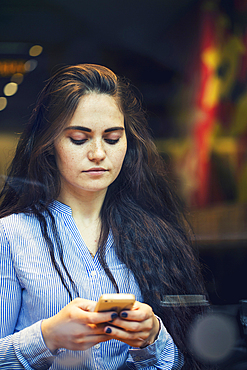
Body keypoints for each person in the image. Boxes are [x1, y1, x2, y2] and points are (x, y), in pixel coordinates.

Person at [0, 64, 207, 369]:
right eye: (79, 139)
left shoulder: (155, 235)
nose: (98, 153)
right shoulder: (11, 234)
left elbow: (185, 361)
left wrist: (153, 337)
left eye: (112, 139)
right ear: (50, 144)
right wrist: (47, 337)